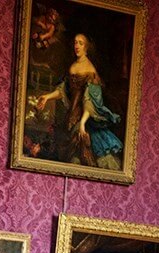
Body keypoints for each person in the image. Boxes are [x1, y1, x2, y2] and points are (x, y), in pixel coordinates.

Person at [36, 33, 122, 169]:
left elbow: (90, 102)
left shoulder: (90, 70)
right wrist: (47, 97)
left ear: (86, 48)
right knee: (70, 156)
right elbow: (63, 90)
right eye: (75, 42)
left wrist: (82, 123)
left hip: (86, 118)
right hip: (72, 115)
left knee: (84, 154)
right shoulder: (73, 66)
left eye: (80, 43)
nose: (77, 46)